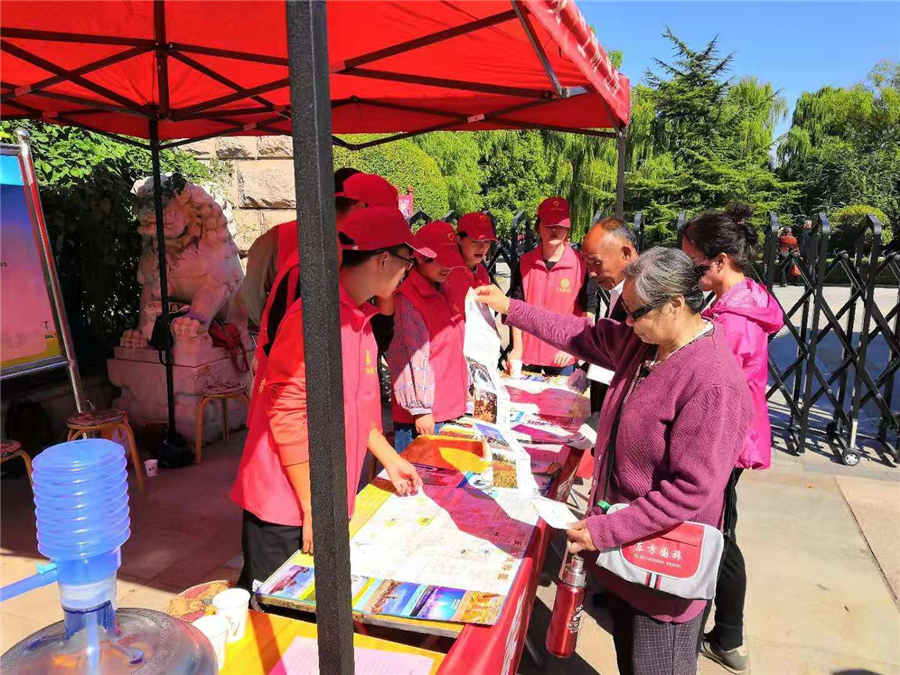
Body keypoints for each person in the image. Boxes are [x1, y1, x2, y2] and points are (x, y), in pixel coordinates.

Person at [475, 248, 753, 675]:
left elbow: (691, 490)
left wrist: (605, 530)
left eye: (635, 312)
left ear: (675, 304)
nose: (626, 321)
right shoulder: (644, 343)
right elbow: (580, 333)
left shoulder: (712, 382)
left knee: (656, 666)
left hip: (663, 576)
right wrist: (510, 307)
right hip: (627, 556)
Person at [232, 207, 428, 591]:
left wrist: (391, 460)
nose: (408, 272)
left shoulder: (360, 320)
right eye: (407, 261)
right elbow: (287, 414)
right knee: (273, 610)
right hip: (285, 502)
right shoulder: (315, 319)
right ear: (382, 259)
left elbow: (356, 411)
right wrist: (315, 507)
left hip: (322, 495)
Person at [681, 204, 785, 674]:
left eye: (695, 263)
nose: (691, 273)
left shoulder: (733, 322)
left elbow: (715, 389)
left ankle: (727, 638)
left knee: (719, 535)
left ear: (720, 261)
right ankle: (725, 634)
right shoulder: (743, 301)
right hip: (735, 436)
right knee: (721, 529)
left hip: (725, 440)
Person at [386, 220, 469, 452]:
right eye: (441, 261)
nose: (448, 267)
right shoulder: (407, 300)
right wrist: (421, 410)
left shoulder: (444, 288)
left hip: (451, 405)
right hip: (426, 416)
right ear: (421, 258)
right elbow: (410, 358)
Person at [574, 217, 638, 477]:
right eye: (587, 263)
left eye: (596, 263)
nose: (591, 273)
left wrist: (600, 418)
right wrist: (587, 368)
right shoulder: (617, 290)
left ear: (626, 253)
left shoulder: (642, 299)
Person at [507, 197, 596, 376]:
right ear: (538, 227)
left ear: (567, 229)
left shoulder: (580, 264)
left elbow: (588, 310)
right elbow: (515, 306)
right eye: (548, 225)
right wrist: (517, 347)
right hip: (528, 352)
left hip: (563, 353)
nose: (554, 230)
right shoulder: (525, 262)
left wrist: (573, 346)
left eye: (559, 225)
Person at [445, 211, 496, 309]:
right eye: (475, 241)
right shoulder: (447, 273)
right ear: (459, 240)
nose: (481, 248)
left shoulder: (481, 271)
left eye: (486, 241)